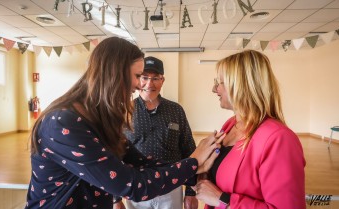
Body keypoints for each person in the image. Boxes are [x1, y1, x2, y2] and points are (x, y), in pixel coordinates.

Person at [24, 37, 223, 209]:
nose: (139, 85)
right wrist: (194, 162)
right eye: (138, 76)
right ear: (113, 73)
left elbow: (141, 162)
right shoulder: (63, 122)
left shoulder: (98, 119)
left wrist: (194, 168)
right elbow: (131, 185)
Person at [194, 50, 306, 209]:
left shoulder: (279, 139)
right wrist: (203, 175)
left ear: (241, 85)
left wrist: (223, 200)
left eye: (219, 82)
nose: (214, 89)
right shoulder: (230, 124)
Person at [114, 56, 198, 209]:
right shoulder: (125, 111)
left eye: (155, 78)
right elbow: (115, 154)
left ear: (162, 80)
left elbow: (189, 150)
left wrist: (191, 192)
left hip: (171, 187)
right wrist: (116, 199)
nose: (149, 84)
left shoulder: (176, 110)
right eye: (144, 77)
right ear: (138, 79)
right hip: (137, 187)